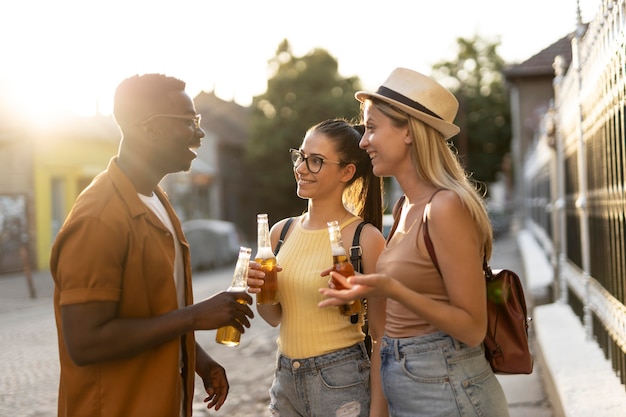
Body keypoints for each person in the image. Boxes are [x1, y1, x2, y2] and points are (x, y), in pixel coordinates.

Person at [49, 73, 254, 417]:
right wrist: (195, 316)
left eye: (198, 121)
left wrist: (199, 360)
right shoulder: (98, 219)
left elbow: (155, 312)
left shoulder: (157, 200)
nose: (200, 133)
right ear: (150, 128)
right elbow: (85, 341)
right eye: (189, 122)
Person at [319, 68, 511, 417]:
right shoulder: (405, 206)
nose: (363, 142)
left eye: (372, 127)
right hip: (408, 381)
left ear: (408, 131)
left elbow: (472, 328)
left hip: (448, 388)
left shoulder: (445, 207)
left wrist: (392, 288)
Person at [246, 118, 389, 416]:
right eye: (300, 157)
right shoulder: (280, 233)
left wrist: (378, 411)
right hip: (285, 379)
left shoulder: (365, 239)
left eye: (315, 161)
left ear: (347, 172)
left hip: (341, 382)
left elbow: (381, 337)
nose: (300, 168)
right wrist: (260, 289)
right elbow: (273, 317)